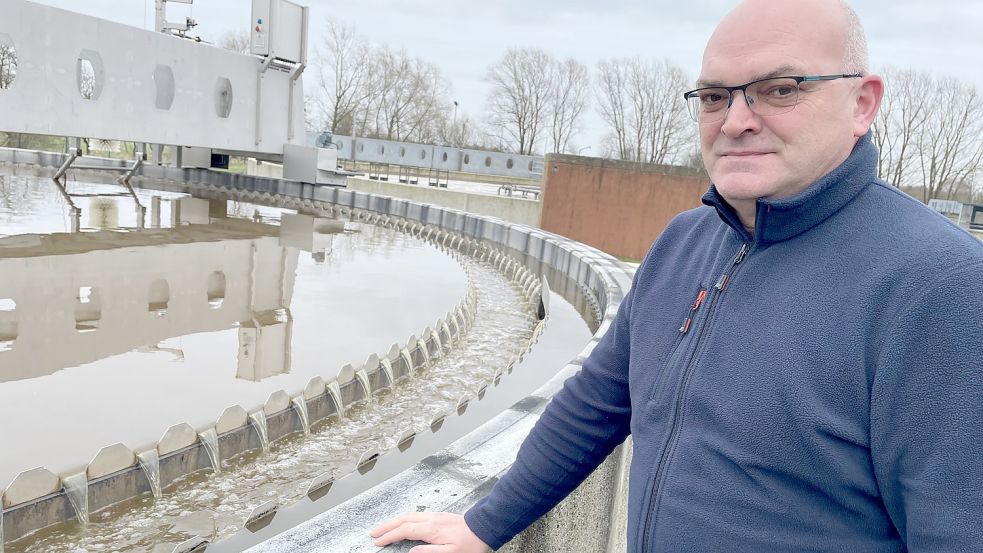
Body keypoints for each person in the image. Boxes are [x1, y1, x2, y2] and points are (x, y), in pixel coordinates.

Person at [372, 0, 983, 551]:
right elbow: (596, 405)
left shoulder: (940, 285)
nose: (736, 119)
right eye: (716, 97)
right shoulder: (682, 243)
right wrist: (484, 525)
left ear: (862, 103)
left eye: (780, 89)